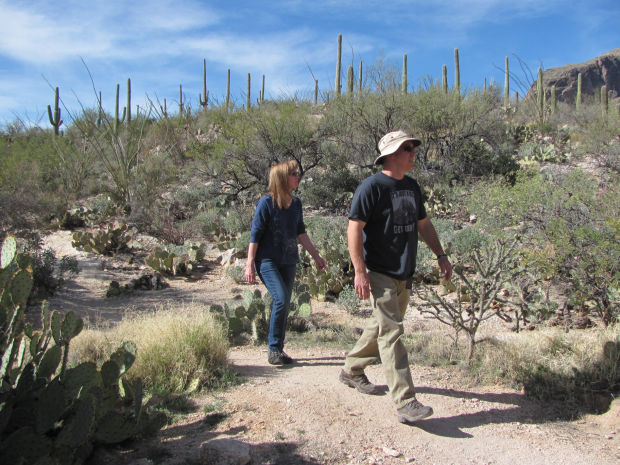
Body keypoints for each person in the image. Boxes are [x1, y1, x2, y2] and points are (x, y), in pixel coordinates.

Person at [339, 130, 453, 424]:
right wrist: (360, 271)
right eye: (407, 148)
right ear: (391, 154)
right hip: (379, 272)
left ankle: (351, 368)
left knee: (381, 326)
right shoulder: (371, 187)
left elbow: (423, 224)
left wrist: (440, 255)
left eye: (414, 147)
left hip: (404, 272)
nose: (414, 152)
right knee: (392, 333)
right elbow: (354, 229)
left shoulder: (412, 187)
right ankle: (405, 402)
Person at [245, 160, 327, 365]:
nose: (297, 176)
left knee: (285, 302)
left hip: (289, 260)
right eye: (293, 174)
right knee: (281, 299)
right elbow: (255, 234)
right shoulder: (266, 203)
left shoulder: (296, 203)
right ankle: (273, 349)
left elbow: (301, 233)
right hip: (267, 261)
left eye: (296, 173)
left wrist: (316, 256)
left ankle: (279, 350)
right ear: (282, 178)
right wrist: (249, 264)